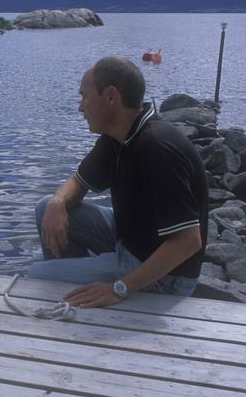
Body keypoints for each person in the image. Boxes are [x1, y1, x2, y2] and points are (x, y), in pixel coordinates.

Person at [28, 55, 208, 307]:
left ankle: (76, 299)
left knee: (37, 279)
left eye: (84, 96)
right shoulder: (118, 136)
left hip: (167, 277)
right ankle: (78, 292)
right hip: (131, 240)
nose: (80, 107)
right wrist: (58, 202)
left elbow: (188, 242)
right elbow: (77, 183)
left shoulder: (157, 148)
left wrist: (118, 288)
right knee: (45, 206)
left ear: (111, 96)